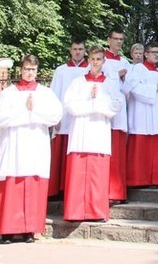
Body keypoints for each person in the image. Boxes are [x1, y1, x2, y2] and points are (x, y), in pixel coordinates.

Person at [0, 55, 63, 243]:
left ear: (37, 71)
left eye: (33, 69)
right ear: (21, 70)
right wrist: (25, 111)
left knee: (33, 183)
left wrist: (33, 111)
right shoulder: (9, 93)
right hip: (14, 145)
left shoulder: (46, 93)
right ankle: (7, 230)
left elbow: (55, 116)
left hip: (35, 144)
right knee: (11, 184)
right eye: (26, 69)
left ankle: (29, 230)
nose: (29, 73)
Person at [62, 46, 122, 222]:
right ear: (89, 60)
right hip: (81, 131)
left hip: (99, 132)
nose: (96, 63)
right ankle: (75, 212)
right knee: (78, 174)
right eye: (93, 59)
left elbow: (117, 105)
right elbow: (69, 104)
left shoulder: (111, 83)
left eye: (99, 59)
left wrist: (98, 101)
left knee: (98, 174)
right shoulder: (78, 82)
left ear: (104, 61)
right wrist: (91, 103)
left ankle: (97, 211)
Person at [48, 38, 88, 199]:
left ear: (85, 51)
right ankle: (57, 189)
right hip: (64, 116)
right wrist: (55, 116)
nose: (78, 52)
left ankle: (74, 189)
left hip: (81, 118)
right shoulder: (61, 70)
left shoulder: (90, 70)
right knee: (60, 153)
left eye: (80, 49)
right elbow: (54, 94)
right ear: (70, 50)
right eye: (75, 49)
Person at [126, 42, 158, 187]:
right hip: (141, 113)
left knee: (155, 147)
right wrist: (156, 87)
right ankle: (138, 179)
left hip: (156, 114)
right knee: (141, 146)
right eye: (153, 52)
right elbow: (134, 88)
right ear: (146, 54)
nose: (156, 55)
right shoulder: (137, 69)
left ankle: (155, 179)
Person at [102, 28, 131, 204]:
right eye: (115, 39)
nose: (119, 42)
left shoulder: (125, 62)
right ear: (108, 40)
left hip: (120, 111)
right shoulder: (101, 60)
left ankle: (118, 192)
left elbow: (130, 87)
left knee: (119, 153)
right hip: (105, 111)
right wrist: (117, 76)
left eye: (121, 39)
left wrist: (125, 80)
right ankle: (105, 191)